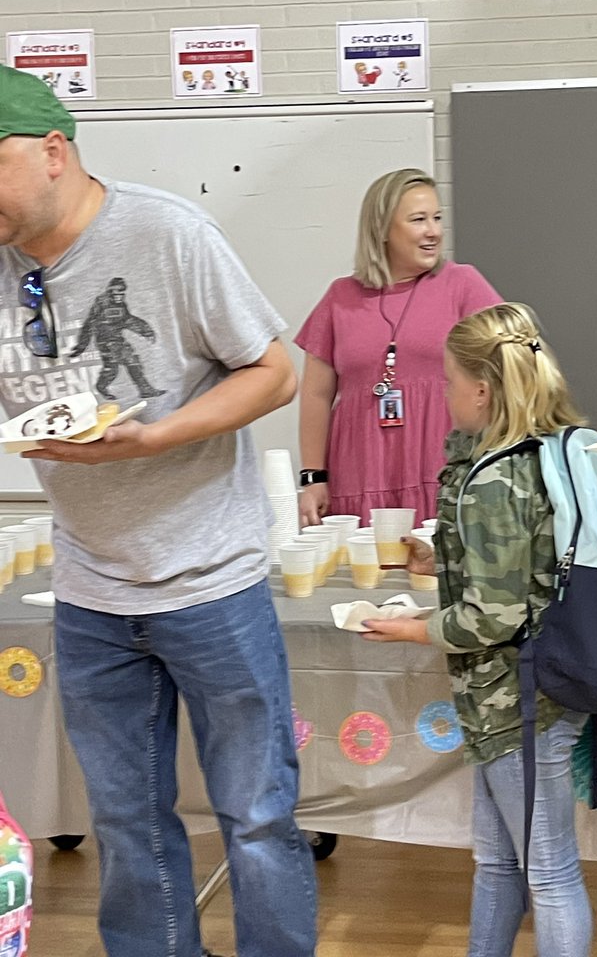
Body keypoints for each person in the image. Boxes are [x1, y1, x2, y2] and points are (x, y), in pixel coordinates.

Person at [0, 64, 317, 957]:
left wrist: (157, 435)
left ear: (53, 152)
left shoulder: (167, 233)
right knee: (127, 824)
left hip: (211, 582)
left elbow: (275, 370)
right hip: (91, 589)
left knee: (256, 816)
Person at [362, 302, 593, 957]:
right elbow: (528, 563)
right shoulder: (541, 451)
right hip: (526, 699)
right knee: (498, 863)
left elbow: (494, 614)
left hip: (517, 706)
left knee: (549, 872)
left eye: (448, 381)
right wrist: (443, 555)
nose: (443, 392)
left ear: (482, 389)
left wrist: (409, 629)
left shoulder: (492, 480)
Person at [294, 167, 501, 526]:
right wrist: (314, 478)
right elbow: (314, 395)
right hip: (361, 474)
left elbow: (513, 367)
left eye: (437, 218)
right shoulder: (340, 298)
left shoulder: (463, 284)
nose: (433, 231)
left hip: (445, 468)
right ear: (383, 229)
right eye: (419, 220)